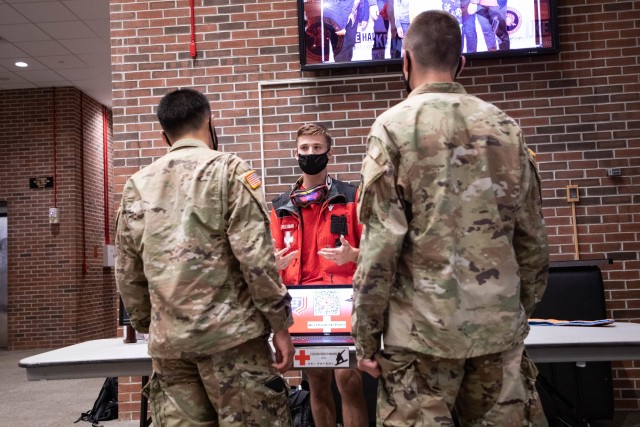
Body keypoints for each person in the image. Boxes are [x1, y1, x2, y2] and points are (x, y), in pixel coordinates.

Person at [353, 10, 549, 427]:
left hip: (420, 340)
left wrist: (366, 338)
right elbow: (532, 240)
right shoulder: (507, 128)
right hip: (497, 335)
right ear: (462, 63)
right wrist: (514, 311)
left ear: (405, 62)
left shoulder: (392, 129)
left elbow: (379, 250)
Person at [115, 88, 294, 426]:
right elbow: (256, 259)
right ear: (210, 122)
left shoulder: (137, 185)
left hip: (170, 346)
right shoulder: (230, 171)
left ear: (164, 134)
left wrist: (150, 324)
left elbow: (127, 272)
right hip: (233, 342)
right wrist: (279, 325)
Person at [270, 123, 369, 427]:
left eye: (317, 148)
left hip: (342, 302)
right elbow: (269, 259)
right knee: (317, 384)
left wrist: (353, 255)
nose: (310, 154)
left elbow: (377, 251)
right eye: (304, 149)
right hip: (301, 305)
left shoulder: (351, 197)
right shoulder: (280, 207)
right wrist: (272, 264)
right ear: (296, 152)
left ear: (329, 152)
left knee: (349, 381)